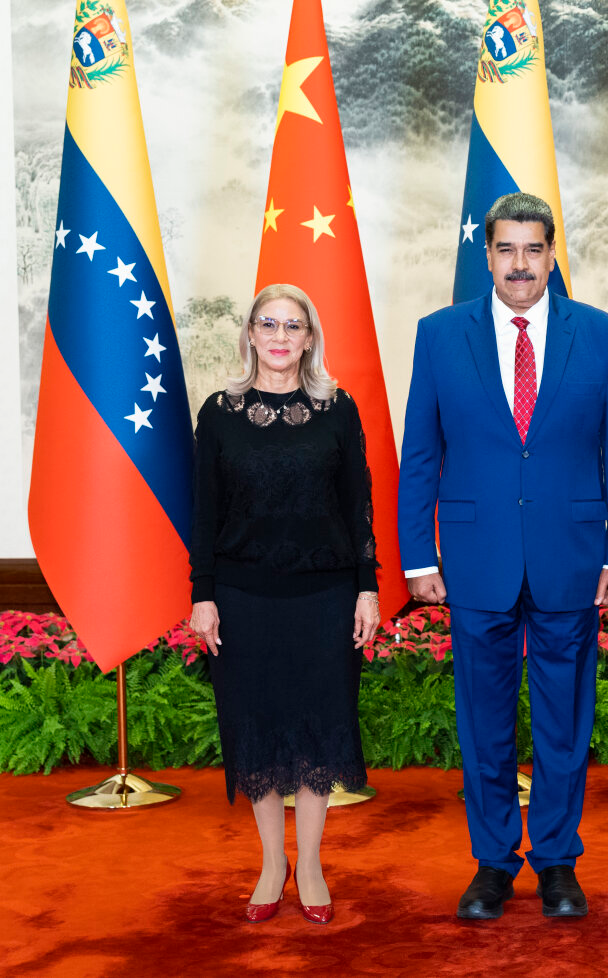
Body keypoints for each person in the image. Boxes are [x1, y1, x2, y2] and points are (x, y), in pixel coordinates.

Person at [398, 192, 608, 920]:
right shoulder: (439, 335)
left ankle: (559, 863)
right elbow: (421, 455)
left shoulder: (601, 334)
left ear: (552, 254)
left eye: (533, 249)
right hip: (476, 559)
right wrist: (418, 558)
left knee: (565, 725)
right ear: (487, 255)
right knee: (485, 725)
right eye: (506, 249)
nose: (520, 264)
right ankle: (493, 863)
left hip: (574, 559)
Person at [188, 283, 380, 925]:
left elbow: (358, 506)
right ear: (249, 333)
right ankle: (273, 864)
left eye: (292, 325)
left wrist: (368, 587)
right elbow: (203, 513)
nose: (279, 336)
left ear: (309, 338)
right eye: (267, 323)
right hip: (243, 600)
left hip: (324, 598)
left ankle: (313, 865)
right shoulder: (218, 413)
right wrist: (203, 595)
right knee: (259, 732)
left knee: (317, 731)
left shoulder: (338, 409)